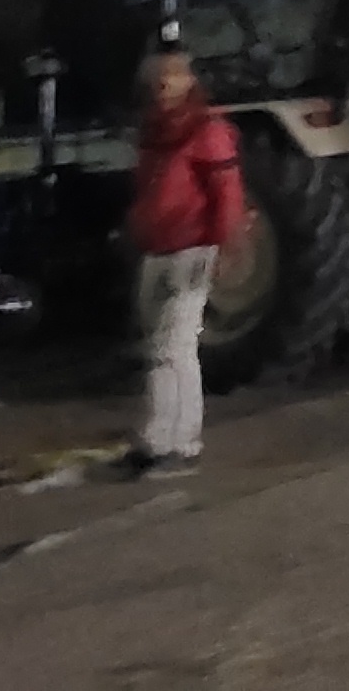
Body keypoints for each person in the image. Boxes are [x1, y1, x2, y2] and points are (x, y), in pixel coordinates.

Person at [123, 48, 243, 476]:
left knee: (175, 349)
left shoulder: (207, 131)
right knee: (159, 351)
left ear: (190, 81)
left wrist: (227, 246)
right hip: (157, 252)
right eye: (158, 74)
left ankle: (182, 443)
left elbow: (227, 194)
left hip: (192, 253)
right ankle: (157, 440)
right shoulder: (152, 133)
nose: (164, 82)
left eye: (174, 74)